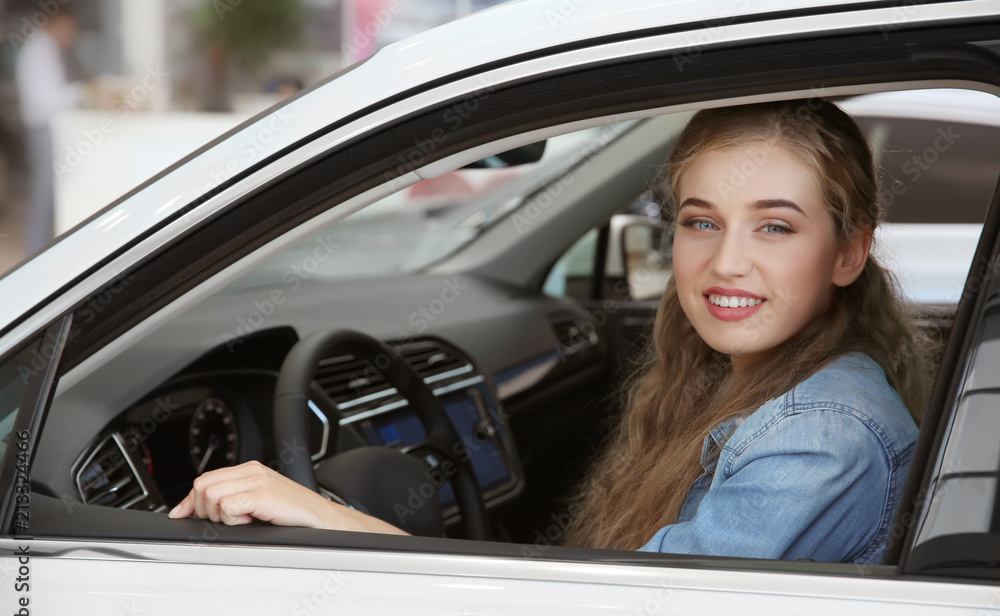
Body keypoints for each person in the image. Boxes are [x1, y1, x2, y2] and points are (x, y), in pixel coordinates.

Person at [169, 99, 934, 564]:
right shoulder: (743, 382)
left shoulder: (821, 436)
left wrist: (335, 517)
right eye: (702, 221)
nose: (725, 262)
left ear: (847, 251)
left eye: (775, 226)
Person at [14, 6, 83, 255]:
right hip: (42, 130)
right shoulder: (38, 52)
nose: (70, 36)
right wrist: (83, 92)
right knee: (44, 197)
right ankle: (35, 255)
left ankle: (42, 253)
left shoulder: (48, 50)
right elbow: (46, 101)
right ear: (55, 24)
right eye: (68, 30)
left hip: (49, 130)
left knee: (49, 197)